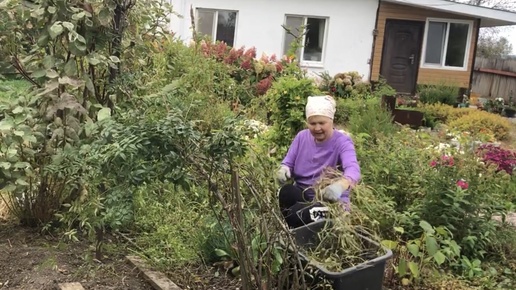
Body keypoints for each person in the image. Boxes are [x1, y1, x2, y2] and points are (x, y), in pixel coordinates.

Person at [276, 95, 361, 228]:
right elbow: (289, 161)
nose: (317, 128)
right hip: (305, 196)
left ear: (331, 121)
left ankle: (305, 232)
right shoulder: (302, 137)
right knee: (286, 192)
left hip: (328, 203)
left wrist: (341, 185)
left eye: (322, 123)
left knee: (296, 214)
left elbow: (353, 169)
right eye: (312, 123)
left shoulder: (342, 142)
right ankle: (297, 233)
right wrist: (284, 168)